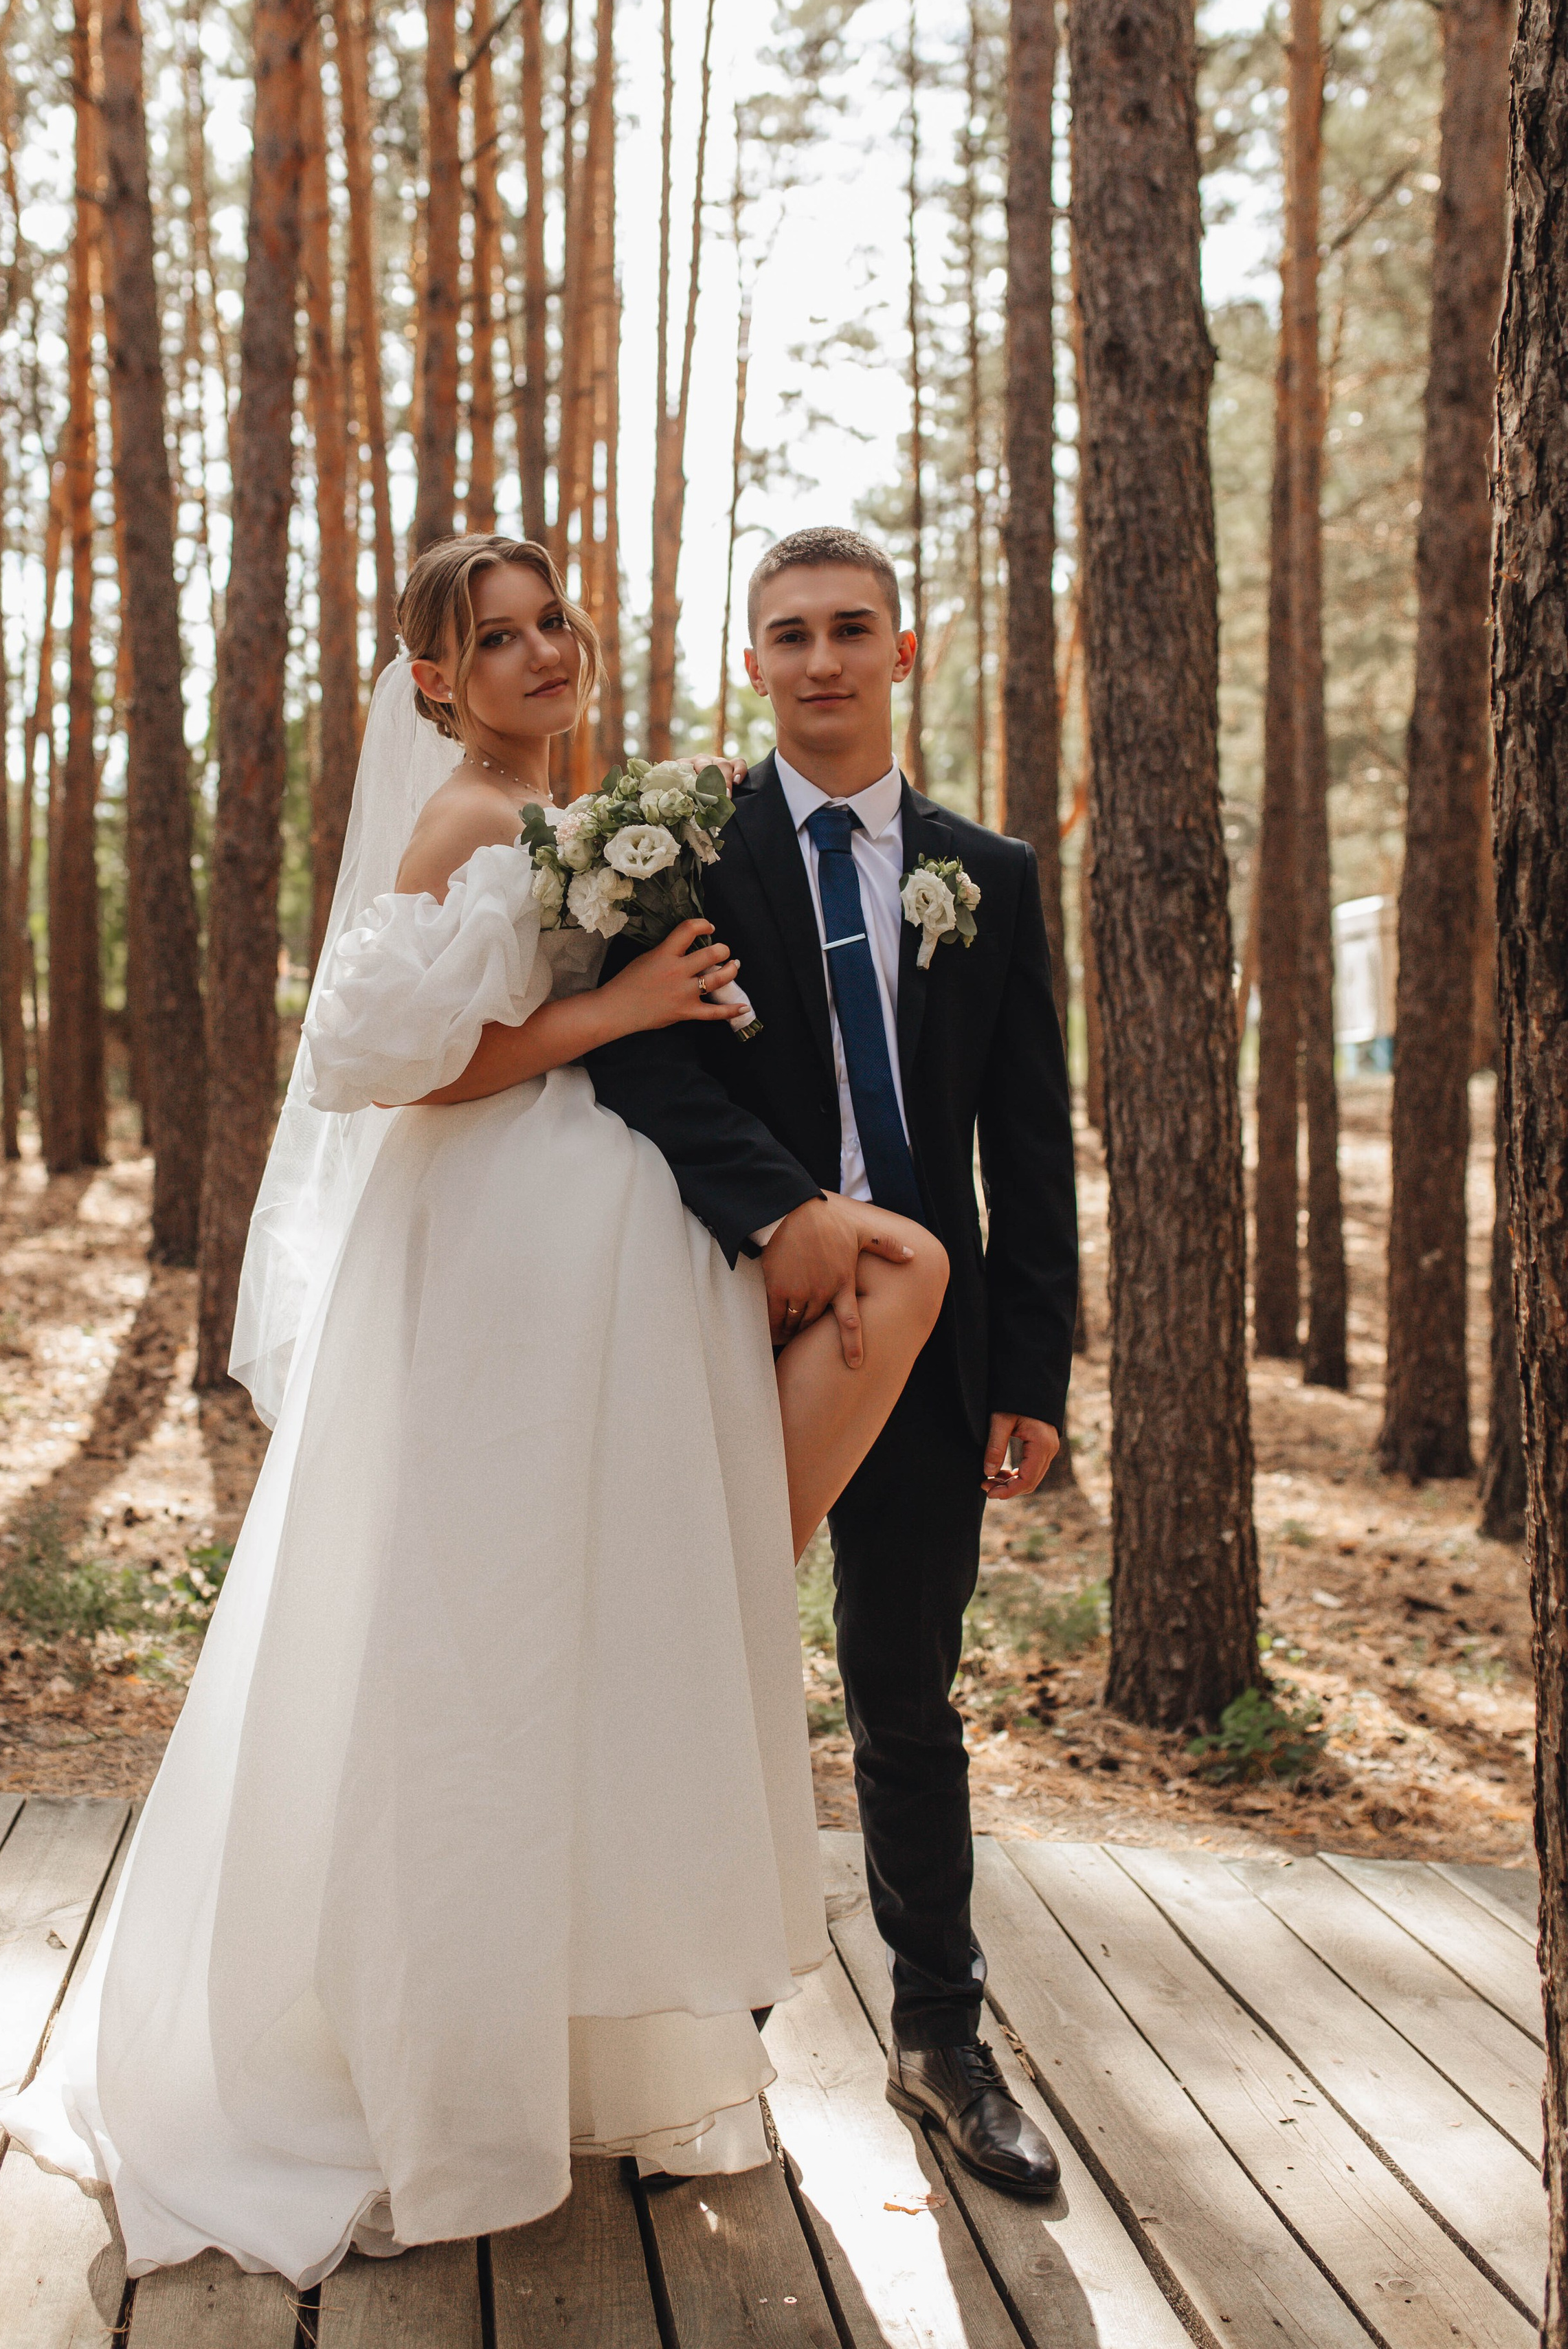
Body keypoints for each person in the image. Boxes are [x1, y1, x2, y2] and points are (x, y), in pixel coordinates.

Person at [0, 535, 947, 2285]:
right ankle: (424, 2073)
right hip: (504, 1256)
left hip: (603, 1251)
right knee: (483, 1648)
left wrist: (665, 1008)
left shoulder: (573, 817)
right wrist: (620, 1002)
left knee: (580, 1632)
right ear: (434, 681)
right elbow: (386, 1062)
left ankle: (569, 2036)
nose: (535, 654)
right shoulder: (456, 821)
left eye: (549, 624)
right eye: (492, 640)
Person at [587, 524, 1079, 2196]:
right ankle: (683, 2040)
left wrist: (1033, 1372)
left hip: (928, 1348)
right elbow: (646, 1075)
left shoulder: (986, 878)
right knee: (691, 1673)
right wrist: (782, 1221)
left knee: (902, 1694)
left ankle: (940, 2039)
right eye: (786, 634)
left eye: (848, 630)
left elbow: (1027, 1137)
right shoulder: (689, 853)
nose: (819, 662)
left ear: (902, 649)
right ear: (752, 661)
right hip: (729, 1320)